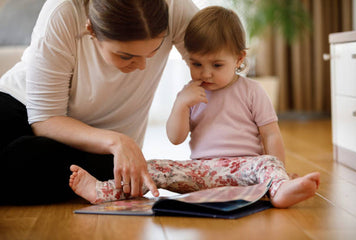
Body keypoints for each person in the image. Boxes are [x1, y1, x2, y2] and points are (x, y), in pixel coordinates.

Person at [69, 6, 320, 208]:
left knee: (269, 163)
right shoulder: (189, 94)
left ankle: (279, 189)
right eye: (196, 64)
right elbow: (175, 138)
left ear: (239, 58)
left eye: (217, 65)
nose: (206, 73)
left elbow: (271, 134)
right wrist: (180, 104)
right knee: (151, 166)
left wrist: (279, 170)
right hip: (200, 172)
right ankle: (101, 191)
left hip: (247, 168)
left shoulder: (252, 91)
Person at [0, 0, 198, 205]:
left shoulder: (174, 8)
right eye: (126, 55)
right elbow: (45, 118)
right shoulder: (64, 10)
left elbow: (222, 61)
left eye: (152, 52)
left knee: (26, 161)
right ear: (91, 30)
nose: (141, 65)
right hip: (22, 103)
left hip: (99, 151)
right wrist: (118, 141)